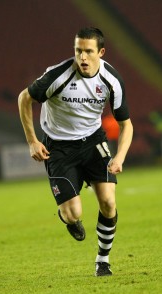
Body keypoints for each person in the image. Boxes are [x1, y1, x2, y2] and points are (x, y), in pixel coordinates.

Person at [18, 27, 133, 276]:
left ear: (100, 52)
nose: (82, 57)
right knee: (73, 214)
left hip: (93, 142)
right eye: (78, 50)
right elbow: (24, 98)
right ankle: (69, 218)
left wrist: (120, 158)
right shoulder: (57, 76)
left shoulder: (112, 80)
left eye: (88, 51)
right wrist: (32, 141)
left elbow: (126, 125)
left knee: (108, 201)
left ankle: (102, 260)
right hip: (58, 148)